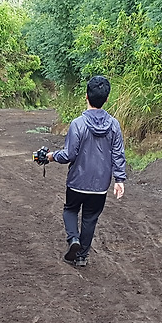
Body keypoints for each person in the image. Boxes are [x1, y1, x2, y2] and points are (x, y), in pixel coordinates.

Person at [46, 74, 126, 268]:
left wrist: (51, 156)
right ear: (106, 99)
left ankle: (73, 239)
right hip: (100, 185)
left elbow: (69, 155)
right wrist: (119, 179)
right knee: (90, 218)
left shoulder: (77, 124)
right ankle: (82, 256)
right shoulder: (114, 125)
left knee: (70, 210)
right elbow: (118, 154)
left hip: (77, 182)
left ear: (86, 96)